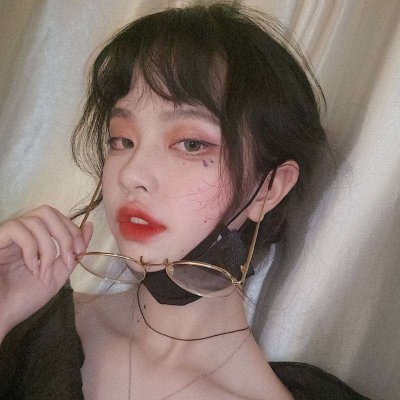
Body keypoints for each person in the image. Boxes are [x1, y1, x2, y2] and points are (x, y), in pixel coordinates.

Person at [0, 3, 370, 399]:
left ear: (270, 188)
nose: (131, 174)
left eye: (191, 144)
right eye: (122, 140)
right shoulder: (28, 327)